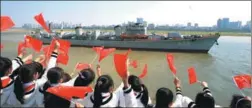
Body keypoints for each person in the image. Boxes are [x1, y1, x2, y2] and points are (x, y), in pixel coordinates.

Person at [4, 40, 60, 107]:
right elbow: (50, 70)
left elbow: (10, 69)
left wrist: (35, 60)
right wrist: (56, 50)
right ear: (35, 75)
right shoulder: (38, 86)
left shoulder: (11, 84)